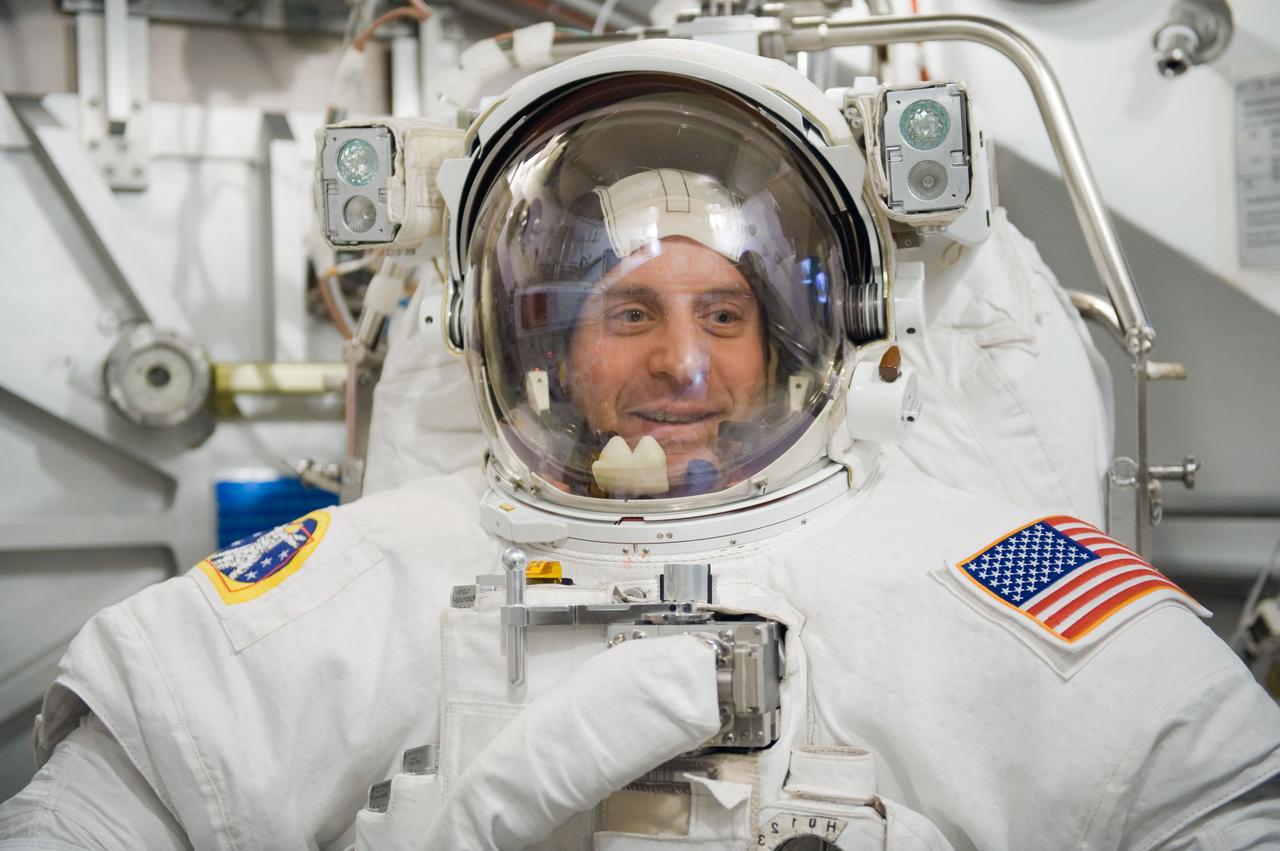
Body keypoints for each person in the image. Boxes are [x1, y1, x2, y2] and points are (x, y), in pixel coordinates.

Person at [4, 39, 1279, 851]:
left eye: (722, 313)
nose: (680, 363)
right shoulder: (350, 585)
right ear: (527, 339)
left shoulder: (984, 581)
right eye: (629, 311)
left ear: (798, 335)